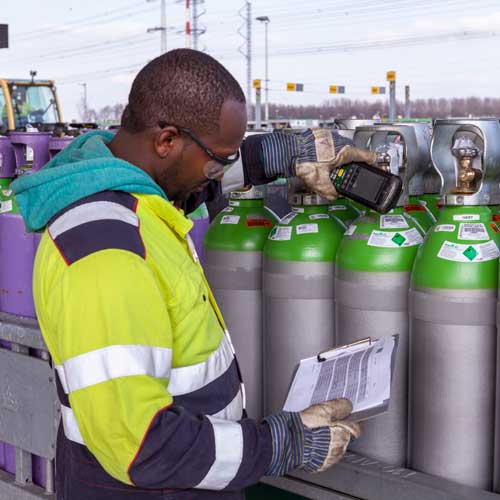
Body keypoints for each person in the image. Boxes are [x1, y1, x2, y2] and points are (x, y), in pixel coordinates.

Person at [12, 49, 375, 500]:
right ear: (165, 141)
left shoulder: (131, 191)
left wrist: (286, 153)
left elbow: (192, 177)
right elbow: (142, 445)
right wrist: (283, 443)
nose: (219, 175)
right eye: (219, 161)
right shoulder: (106, 251)